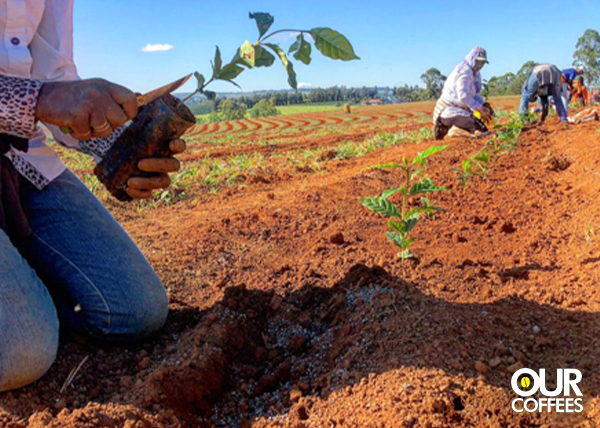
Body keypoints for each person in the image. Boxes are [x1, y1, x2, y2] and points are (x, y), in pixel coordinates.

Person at [0, 0, 185, 392]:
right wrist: (38, 100)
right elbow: (48, 96)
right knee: (20, 351)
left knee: (134, 308)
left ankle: (28, 295)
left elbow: (55, 76)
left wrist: (120, 145)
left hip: (20, 157)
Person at [433, 46, 493, 140]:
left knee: (484, 130)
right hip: (448, 111)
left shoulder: (475, 73)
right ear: (472, 59)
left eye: (483, 63)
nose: (480, 65)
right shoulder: (464, 72)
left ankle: (459, 131)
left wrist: (483, 104)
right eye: (478, 61)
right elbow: (463, 96)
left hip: (462, 111)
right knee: (479, 133)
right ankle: (453, 131)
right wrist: (479, 108)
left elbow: (474, 95)